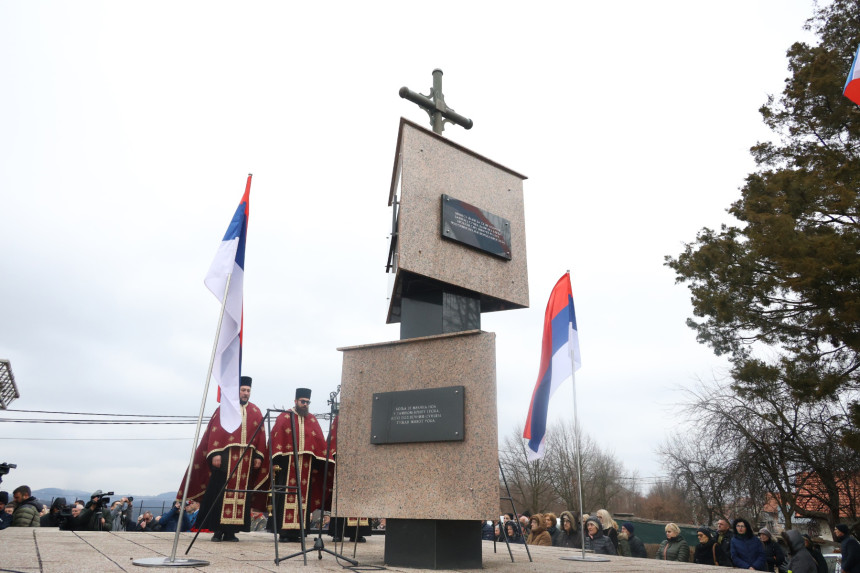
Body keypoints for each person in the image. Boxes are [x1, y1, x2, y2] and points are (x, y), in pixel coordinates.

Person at [178, 376, 269, 542]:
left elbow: (261, 435)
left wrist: (258, 456)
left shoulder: (256, 411)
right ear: (237, 391)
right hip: (226, 458)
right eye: (243, 390)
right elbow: (215, 431)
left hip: (246, 460)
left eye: (248, 390)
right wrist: (215, 453)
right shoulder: (225, 408)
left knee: (241, 495)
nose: (245, 393)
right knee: (219, 494)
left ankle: (231, 531)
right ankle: (218, 530)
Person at [271, 388, 334, 542]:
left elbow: (318, 443)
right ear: (296, 401)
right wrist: (275, 462)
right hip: (287, 466)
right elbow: (275, 439)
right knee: (286, 497)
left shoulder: (312, 419)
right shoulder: (284, 417)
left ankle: (300, 532)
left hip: (306, 467)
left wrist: (319, 463)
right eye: (302, 402)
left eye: (307, 402)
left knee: (303, 499)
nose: (305, 404)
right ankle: (284, 533)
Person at [326, 415, 371, 543]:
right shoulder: (340, 417)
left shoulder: (367, 415)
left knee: (360, 497)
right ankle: (338, 532)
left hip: (362, 463)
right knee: (342, 497)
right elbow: (333, 439)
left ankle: (357, 533)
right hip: (343, 461)